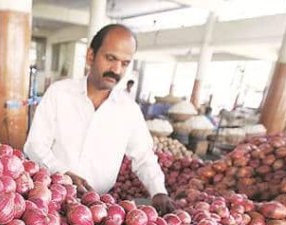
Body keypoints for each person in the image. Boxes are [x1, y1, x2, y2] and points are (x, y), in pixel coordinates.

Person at [24, 24, 174, 214]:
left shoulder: (129, 110)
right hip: (51, 198)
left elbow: (143, 156)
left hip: (99, 210)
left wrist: (158, 191)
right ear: (91, 56)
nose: (116, 69)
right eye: (110, 58)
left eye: (125, 63)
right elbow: (35, 145)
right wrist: (62, 173)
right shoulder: (59, 93)